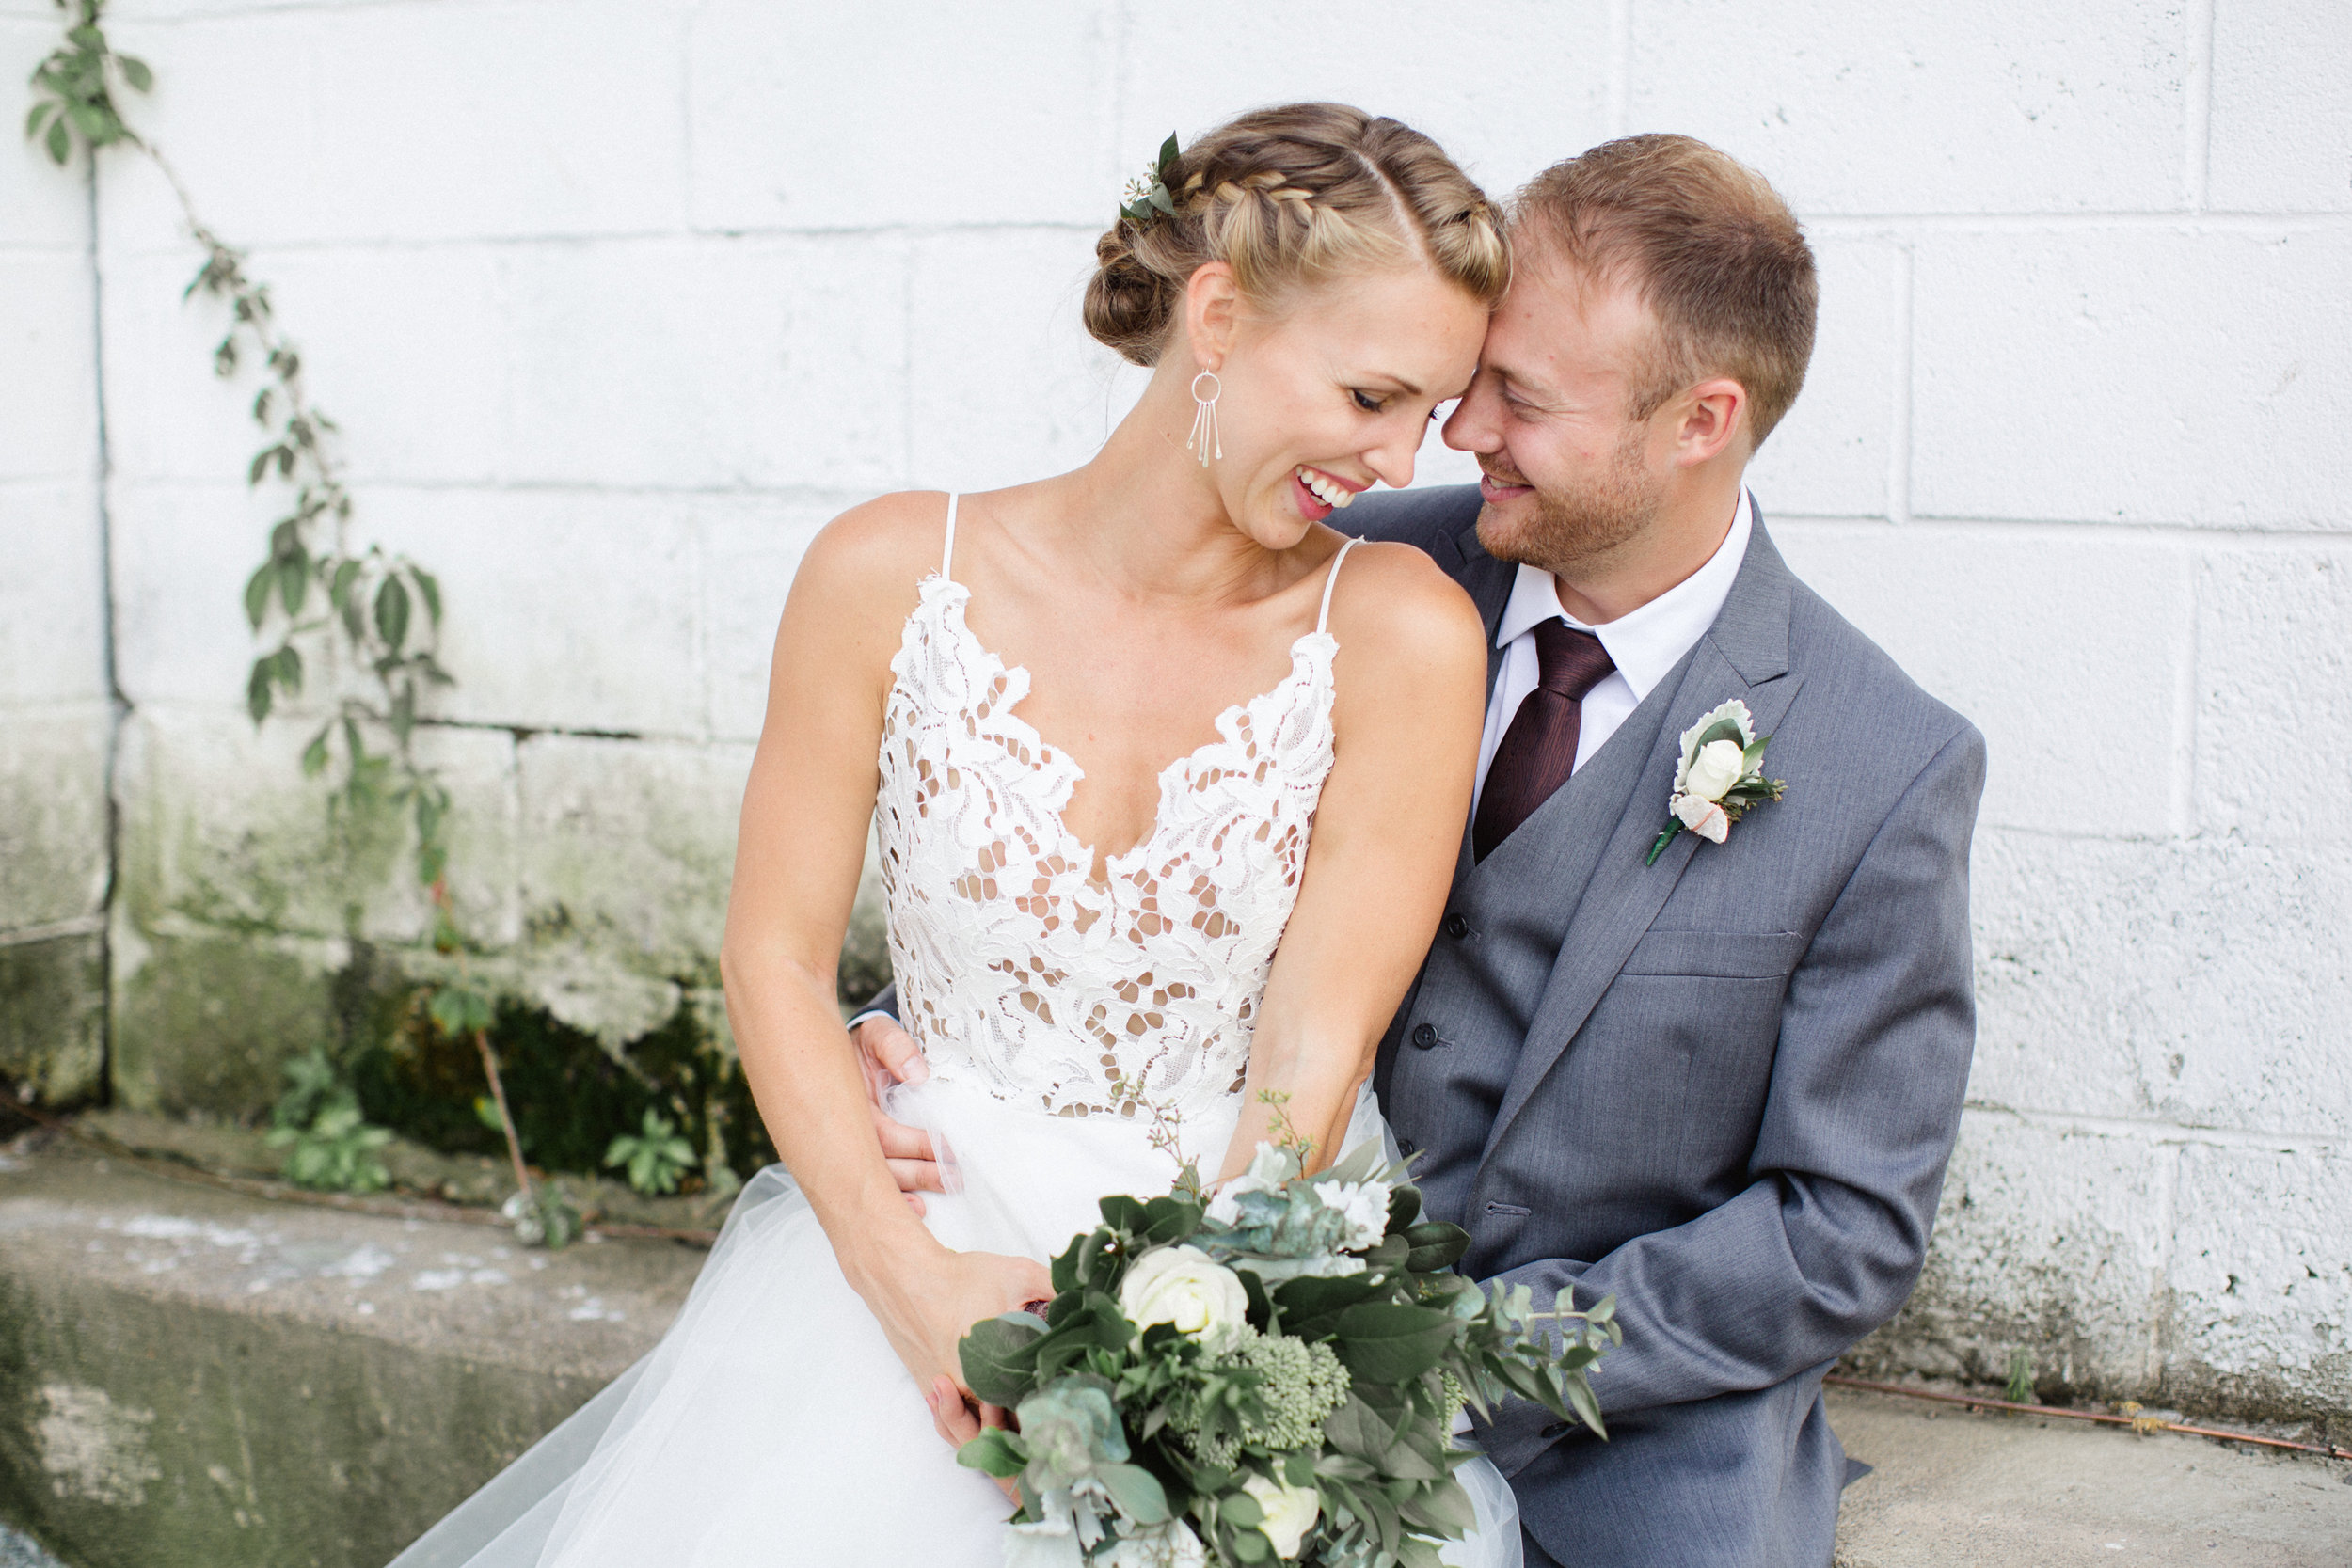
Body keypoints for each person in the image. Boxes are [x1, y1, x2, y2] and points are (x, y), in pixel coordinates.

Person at [388, 103, 1531, 1568]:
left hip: (1243, 1241)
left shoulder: (1399, 632)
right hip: (907, 1238)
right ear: (1221, 313)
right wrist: (911, 1285)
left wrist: (1207, 1342)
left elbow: (1316, 1041)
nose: (1394, 457)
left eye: (1425, 413)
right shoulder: (883, 575)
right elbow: (774, 958)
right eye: (1369, 393)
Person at [867, 135, 1987, 1568]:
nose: (1456, 437)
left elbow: (1842, 1232)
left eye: (1516, 400)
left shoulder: (1881, 764)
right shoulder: (1345, 566)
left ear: (1701, 420)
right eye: (1464, 389)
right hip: (1209, 1307)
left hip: (1620, 1435)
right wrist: (934, 1035)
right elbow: (1091, 808)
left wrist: (1440, 1355)